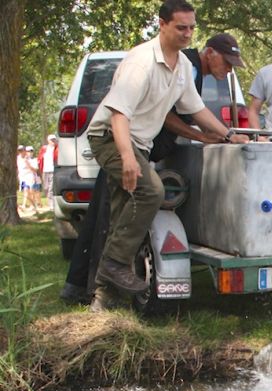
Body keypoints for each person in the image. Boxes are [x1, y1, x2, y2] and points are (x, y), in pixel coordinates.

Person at [59, 31, 248, 306]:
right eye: (227, 62)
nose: (229, 69)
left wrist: (229, 135)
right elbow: (136, 115)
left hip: (139, 146)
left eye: (191, 28)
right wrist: (128, 156)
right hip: (118, 140)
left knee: (115, 213)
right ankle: (105, 271)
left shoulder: (183, 66)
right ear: (209, 52)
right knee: (143, 196)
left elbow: (196, 108)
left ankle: (95, 294)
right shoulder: (159, 64)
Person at [39, 134, 58, 209]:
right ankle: (49, 202)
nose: (53, 141)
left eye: (54, 140)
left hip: (53, 170)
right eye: (51, 140)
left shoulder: (57, 148)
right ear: (48, 141)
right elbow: (40, 159)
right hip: (45, 170)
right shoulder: (44, 149)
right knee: (46, 188)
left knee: (51, 188)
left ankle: (51, 204)